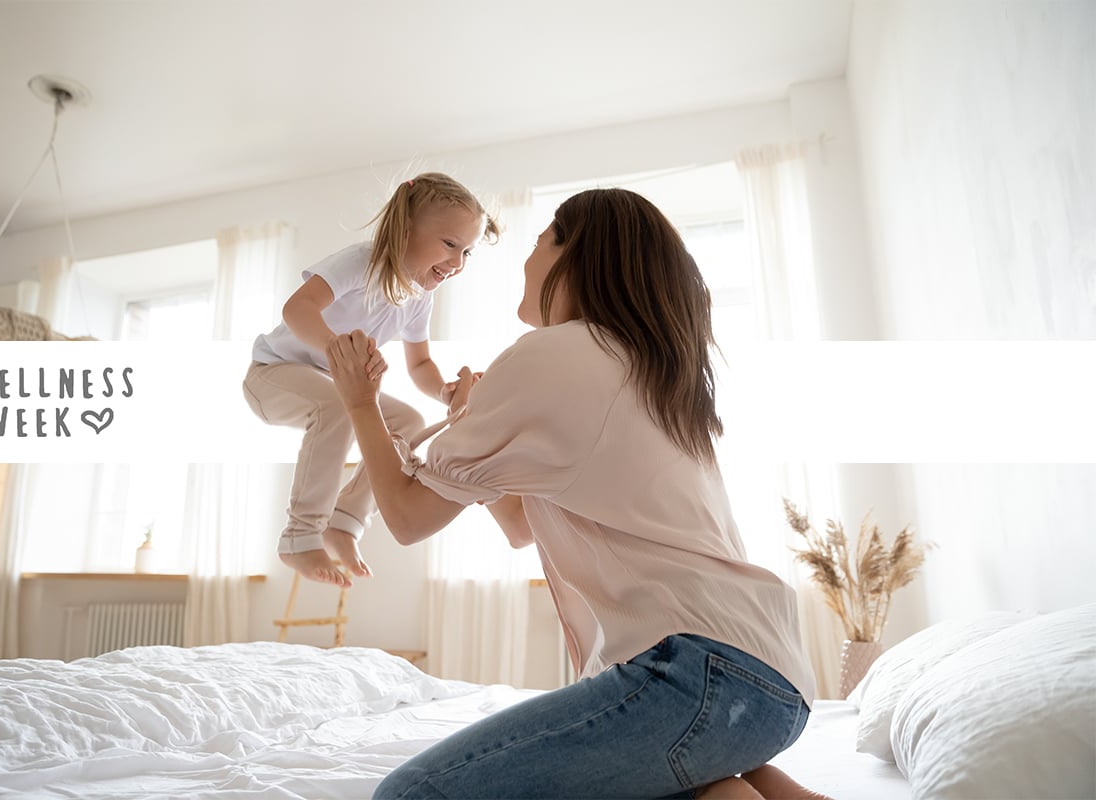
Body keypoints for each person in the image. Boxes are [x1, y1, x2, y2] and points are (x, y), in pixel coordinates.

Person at [326, 188, 831, 799]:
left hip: (696, 675)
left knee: (410, 795)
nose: (523, 259)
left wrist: (359, 401)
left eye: (540, 239)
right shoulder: (649, 368)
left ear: (574, 253)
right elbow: (518, 527)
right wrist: (474, 430)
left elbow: (406, 517)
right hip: (771, 683)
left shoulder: (555, 352)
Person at [243, 172, 499, 587]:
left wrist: (443, 390)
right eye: (450, 244)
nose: (457, 263)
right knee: (336, 406)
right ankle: (300, 536)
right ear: (408, 228)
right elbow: (298, 308)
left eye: (467, 252)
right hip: (272, 374)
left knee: (410, 422)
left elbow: (419, 365)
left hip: (332, 382)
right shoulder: (363, 262)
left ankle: (345, 521)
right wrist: (336, 350)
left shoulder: (418, 297)